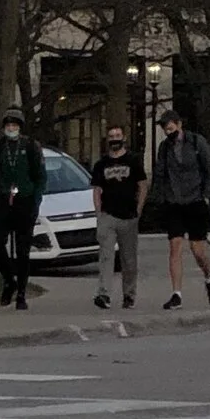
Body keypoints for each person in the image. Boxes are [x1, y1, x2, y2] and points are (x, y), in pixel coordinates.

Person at [148, 106, 210, 309]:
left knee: (198, 250)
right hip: (174, 203)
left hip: (195, 200)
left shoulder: (197, 142)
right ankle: (176, 293)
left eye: (171, 128)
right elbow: (160, 173)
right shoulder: (164, 148)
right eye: (165, 130)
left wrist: (206, 195)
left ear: (179, 125)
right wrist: (159, 197)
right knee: (175, 247)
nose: (168, 133)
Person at [0, 109, 46, 309]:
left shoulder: (31, 146)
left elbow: (40, 176)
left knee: (23, 250)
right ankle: (9, 280)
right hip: (2, 198)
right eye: (8, 125)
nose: (11, 128)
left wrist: (36, 201)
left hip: (25, 200)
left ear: (20, 127)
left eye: (15, 125)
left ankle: (22, 293)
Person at [88, 121, 142, 310]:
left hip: (129, 216)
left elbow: (142, 185)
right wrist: (98, 214)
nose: (114, 140)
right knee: (105, 256)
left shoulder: (133, 161)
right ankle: (103, 294)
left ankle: (129, 295)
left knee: (129, 260)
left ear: (124, 138)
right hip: (108, 216)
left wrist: (139, 209)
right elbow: (96, 190)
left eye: (118, 136)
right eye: (111, 137)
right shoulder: (101, 164)